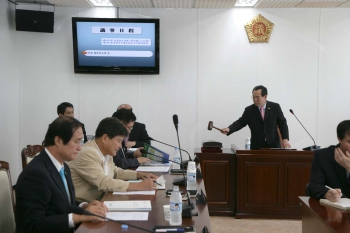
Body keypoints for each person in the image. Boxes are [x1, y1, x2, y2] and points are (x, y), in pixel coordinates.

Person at [15, 116, 108, 233]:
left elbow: (63, 205)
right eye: (76, 141)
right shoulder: (36, 174)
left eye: (81, 142)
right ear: (58, 140)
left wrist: (84, 207)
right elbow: (34, 224)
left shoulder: (63, 166)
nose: (80, 147)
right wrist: (80, 217)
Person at [67, 117, 158, 203]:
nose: (120, 146)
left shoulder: (105, 151)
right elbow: (104, 182)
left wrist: (140, 175)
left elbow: (116, 172)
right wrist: (139, 186)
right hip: (85, 207)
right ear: (105, 138)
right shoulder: (87, 153)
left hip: (101, 202)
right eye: (118, 141)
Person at [221, 85, 291, 149]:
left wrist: (285, 139)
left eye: (257, 97)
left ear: (265, 97)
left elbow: (282, 123)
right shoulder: (249, 110)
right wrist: (229, 129)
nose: (255, 100)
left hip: (273, 145)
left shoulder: (275, 107)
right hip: (257, 146)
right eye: (253, 97)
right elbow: (240, 122)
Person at [309, 120, 350, 202]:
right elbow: (314, 186)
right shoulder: (323, 156)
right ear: (339, 139)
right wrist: (326, 193)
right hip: (334, 209)